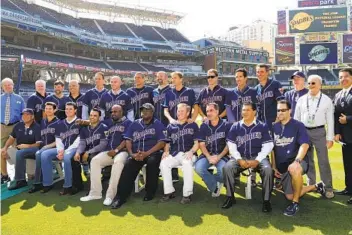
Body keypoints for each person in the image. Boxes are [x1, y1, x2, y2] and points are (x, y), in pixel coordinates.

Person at [272, 100, 326, 216]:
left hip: (298, 163)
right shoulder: (274, 127)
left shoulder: (298, 125)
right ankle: (316, 186)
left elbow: (305, 144)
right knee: (289, 195)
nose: (280, 112)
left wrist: (297, 161)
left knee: (294, 169)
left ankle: (295, 204)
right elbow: (273, 149)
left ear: (290, 111)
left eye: (283, 110)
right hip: (283, 168)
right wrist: (274, 166)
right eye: (278, 110)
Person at [111, 103, 167, 209]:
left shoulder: (157, 124)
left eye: (147, 110)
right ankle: (120, 197)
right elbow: (128, 140)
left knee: (152, 163)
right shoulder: (135, 124)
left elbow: (161, 143)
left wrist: (147, 153)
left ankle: (150, 192)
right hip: (137, 153)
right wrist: (132, 153)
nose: (144, 112)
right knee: (128, 165)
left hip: (152, 153)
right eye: (143, 110)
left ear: (152, 112)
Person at [222, 102, 274, 212]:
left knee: (268, 170)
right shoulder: (235, 126)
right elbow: (231, 145)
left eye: (248, 110)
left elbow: (268, 145)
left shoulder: (262, 126)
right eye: (243, 110)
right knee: (227, 168)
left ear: (254, 112)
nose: (244, 112)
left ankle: (266, 201)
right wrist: (239, 158)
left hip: (258, 156)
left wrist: (257, 160)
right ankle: (230, 197)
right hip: (240, 156)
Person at [79, 105, 132, 205]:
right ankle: (95, 193)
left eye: (116, 112)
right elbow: (94, 121)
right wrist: (82, 121)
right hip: (108, 151)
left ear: (122, 112)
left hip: (122, 152)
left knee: (118, 162)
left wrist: (116, 150)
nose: (113, 114)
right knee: (95, 160)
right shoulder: (108, 122)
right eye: (112, 112)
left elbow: (127, 140)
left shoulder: (128, 123)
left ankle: (110, 196)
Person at [294, 74, 335, 199]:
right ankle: (312, 184)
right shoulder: (301, 99)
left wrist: (330, 138)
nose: (310, 85)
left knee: (323, 161)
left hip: (319, 132)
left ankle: (328, 187)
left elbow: (330, 120)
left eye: (313, 83)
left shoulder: (326, 100)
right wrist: (297, 135)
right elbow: (296, 119)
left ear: (320, 85)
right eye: (309, 83)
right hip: (305, 132)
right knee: (308, 160)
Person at [159, 103, 199, 204]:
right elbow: (167, 142)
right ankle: (169, 191)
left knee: (187, 164)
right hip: (174, 154)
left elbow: (196, 143)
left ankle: (187, 194)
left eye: (182, 111)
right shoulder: (171, 126)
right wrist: (166, 151)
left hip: (188, 153)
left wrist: (191, 151)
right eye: (178, 111)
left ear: (188, 113)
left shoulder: (193, 125)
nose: (179, 113)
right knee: (164, 163)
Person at [41, 102, 81, 194]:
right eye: (66, 109)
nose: (68, 111)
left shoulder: (79, 122)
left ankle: (67, 186)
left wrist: (65, 151)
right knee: (44, 154)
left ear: (75, 110)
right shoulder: (61, 123)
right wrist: (60, 150)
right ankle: (47, 183)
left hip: (74, 149)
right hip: (62, 148)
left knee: (67, 157)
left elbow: (79, 140)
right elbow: (58, 139)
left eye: (70, 109)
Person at [194, 103, 231, 197]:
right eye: (207, 111)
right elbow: (201, 144)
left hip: (222, 155)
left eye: (211, 110)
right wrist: (209, 157)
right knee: (198, 168)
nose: (209, 113)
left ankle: (213, 181)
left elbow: (228, 145)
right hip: (207, 154)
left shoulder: (226, 125)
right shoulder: (203, 126)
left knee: (223, 171)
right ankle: (214, 187)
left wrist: (218, 157)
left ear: (217, 111)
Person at [1, 108, 41, 190]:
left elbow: (38, 144)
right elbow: (11, 138)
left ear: (32, 116)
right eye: (23, 114)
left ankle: (21, 180)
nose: (24, 116)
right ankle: (5, 176)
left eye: (27, 114)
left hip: (33, 150)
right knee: (1, 151)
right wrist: (5, 148)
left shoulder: (37, 127)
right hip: (20, 150)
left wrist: (27, 146)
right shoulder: (18, 125)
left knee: (31, 175)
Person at [73, 108, 109, 189]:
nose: (92, 117)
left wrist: (88, 152)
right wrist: (78, 152)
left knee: (91, 158)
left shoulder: (104, 127)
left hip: (100, 152)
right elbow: (82, 143)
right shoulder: (84, 129)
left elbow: (103, 144)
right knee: (74, 159)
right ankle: (77, 185)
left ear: (99, 117)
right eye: (91, 115)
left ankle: (94, 187)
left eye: (95, 116)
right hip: (89, 150)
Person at [28, 102, 60, 193]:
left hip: (55, 148)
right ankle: (36, 181)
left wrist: (46, 147)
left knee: (39, 154)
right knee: (24, 152)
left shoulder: (59, 123)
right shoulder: (43, 121)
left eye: (50, 108)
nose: (48, 110)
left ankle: (41, 183)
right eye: (46, 108)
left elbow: (59, 141)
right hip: (43, 147)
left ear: (55, 110)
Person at [1, 78, 25, 184]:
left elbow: (24, 115)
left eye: (9, 85)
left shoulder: (19, 98)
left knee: (17, 151)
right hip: (2, 127)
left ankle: (19, 174)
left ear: (13, 85)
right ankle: (4, 175)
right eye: (5, 85)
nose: (7, 87)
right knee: (1, 151)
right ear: (2, 87)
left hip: (16, 126)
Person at [333, 68, 352, 202]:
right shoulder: (338, 94)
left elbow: (345, 117)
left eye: (346, 76)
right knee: (348, 164)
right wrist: (337, 132)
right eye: (340, 77)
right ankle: (348, 188)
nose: (343, 79)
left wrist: (348, 119)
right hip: (346, 137)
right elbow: (336, 116)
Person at [255, 64, 283, 130]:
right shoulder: (256, 89)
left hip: (274, 121)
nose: (259, 74)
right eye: (258, 72)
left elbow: (281, 102)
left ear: (267, 73)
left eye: (262, 72)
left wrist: (278, 118)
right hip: (261, 123)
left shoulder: (275, 84)